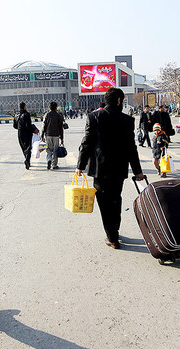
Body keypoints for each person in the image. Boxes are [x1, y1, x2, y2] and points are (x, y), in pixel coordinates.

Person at [76, 88, 144, 249]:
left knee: (104, 203)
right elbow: (131, 148)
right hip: (119, 168)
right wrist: (137, 171)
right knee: (116, 199)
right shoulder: (127, 120)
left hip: (100, 170)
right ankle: (114, 231)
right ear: (119, 101)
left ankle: (112, 236)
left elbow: (86, 143)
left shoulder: (93, 117)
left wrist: (80, 166)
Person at [41, 101, 64, 170]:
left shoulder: (46, 115)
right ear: (56, 107)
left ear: (49, 107)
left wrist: (42, 135)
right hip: (56, 135)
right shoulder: (59, 116)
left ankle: (49, 159)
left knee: (48, 149)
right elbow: (61, 128)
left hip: (48, 134)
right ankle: (54, 165)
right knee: (55, 150)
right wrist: (62, 138)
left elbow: (44, 126)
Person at [15, 102, 38, 169]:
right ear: (24, 107)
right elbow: (28, 125)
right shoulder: (26, 114)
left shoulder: (16, 114)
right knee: (28, 147)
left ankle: (27, 160)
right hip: (26, 133)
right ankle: (27, 160)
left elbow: (14, 125)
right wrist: (34, 130)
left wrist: (20, 128)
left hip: (20, 133)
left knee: (23, 147)